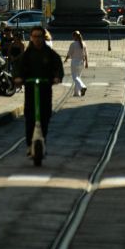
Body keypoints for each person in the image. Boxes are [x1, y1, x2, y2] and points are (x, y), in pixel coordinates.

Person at [14, 25, 64, 155]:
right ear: (31, 38)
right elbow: (18, 67)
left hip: (45, 88)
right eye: (34, 36)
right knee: (30, 117)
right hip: (31, 89)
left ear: (43, 37)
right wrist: (18, 78)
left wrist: (57, 77)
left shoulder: (50, 54)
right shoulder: (26, 55)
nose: (37, 39)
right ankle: (29, 144)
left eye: (39, 36)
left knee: (45, 116)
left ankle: (43, 140)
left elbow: (58, 66)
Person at [65, 30, 88, 97]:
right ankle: (76, 93)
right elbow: (86, 54)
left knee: (75, 77)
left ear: (75, 36)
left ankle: (82, 87)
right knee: (78, 77)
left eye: (73, 36)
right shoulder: (84, 43)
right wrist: (87, 63)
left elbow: (69, 53)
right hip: (82, 62)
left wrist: (66, 59)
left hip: (75, 62)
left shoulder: (73, 44)